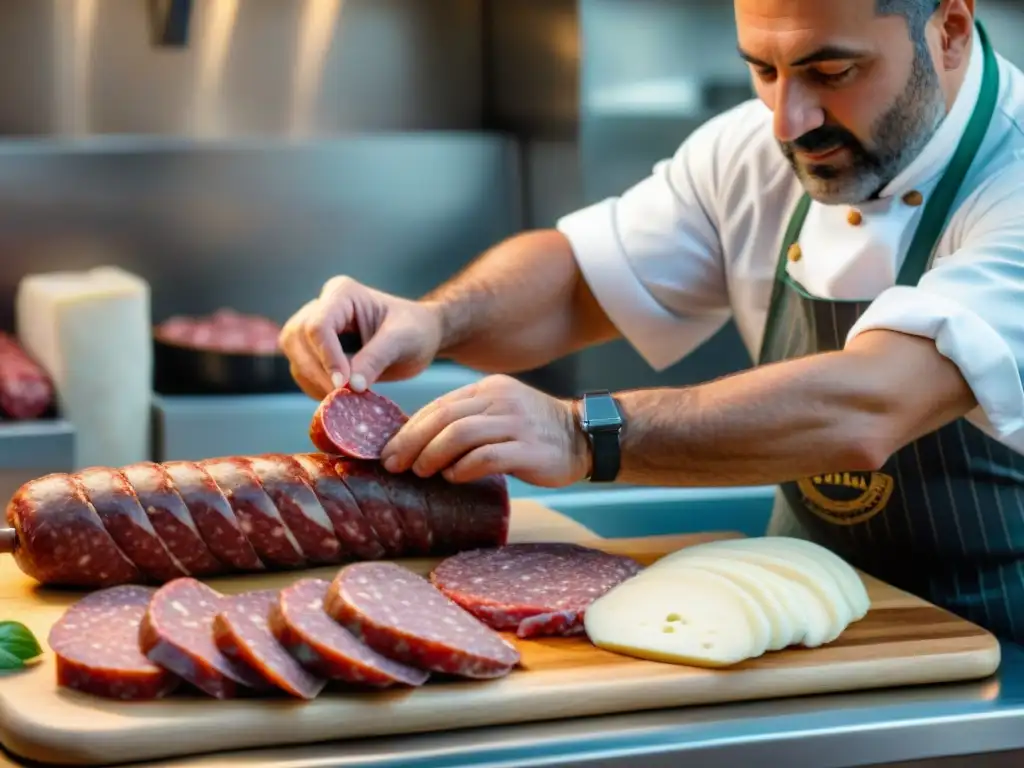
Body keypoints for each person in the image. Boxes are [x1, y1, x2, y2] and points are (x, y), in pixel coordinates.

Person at [280, 0, 1024, 642]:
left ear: (950, 29)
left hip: (1006, 649)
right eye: (764, 71)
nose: (788, 121)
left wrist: (582, 434)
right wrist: (434, 320)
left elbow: (873, 402)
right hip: (798, 630)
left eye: (832, 73)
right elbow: (580, 281)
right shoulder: (751, 147)